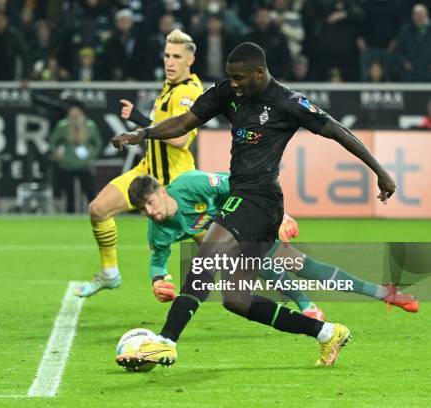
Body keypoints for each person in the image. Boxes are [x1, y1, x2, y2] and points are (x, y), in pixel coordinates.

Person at [112, 42, 396, 368]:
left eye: (239, 77)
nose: (233, 83)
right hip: (247, 199)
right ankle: (327, 332)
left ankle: (166, 341)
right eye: (230, 77)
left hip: (260, 199)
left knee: (206, 255)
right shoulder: (226, 93)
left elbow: (338, 131)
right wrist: (144, 133)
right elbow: (184, 122)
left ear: (260, 72)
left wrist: (381, 172)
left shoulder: (288, 103)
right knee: (236, 300)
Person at [128, 172, 417, 314]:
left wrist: (280, 216)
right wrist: (157, 279)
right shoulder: (158, 230)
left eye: (151, 203)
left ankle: (309, 306)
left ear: (163, 192)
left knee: (302, 267)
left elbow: (244, 185)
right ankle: (382, 293)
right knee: (301, 266)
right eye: (143, 210)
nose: (150, 212)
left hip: (251, 215)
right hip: (231, 239)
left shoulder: (192, 184)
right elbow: (158, 258)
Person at [75, 29, 203, 297]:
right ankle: (110, 274)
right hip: (147, 173)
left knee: (217, 247)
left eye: (177, 56)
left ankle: (281, 282)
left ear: (190, 60)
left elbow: (179, 139)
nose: (170, 62)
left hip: (177, 182)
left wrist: (141, 125)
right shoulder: (170, 87)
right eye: (167, 55)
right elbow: (160, 129)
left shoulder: (187, 93)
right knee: (98, 209)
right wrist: (140, 119)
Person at [48, 101, 101, 213]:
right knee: (69, 194)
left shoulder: (89, 125)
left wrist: (91, 156)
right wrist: (57, 153)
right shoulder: (63, 125)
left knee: (90, 193)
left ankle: (95, 214)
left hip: (84, 165)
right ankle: (69, 216)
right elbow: (52, 141)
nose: (75, 114)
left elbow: (98, 143)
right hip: (67, 164)